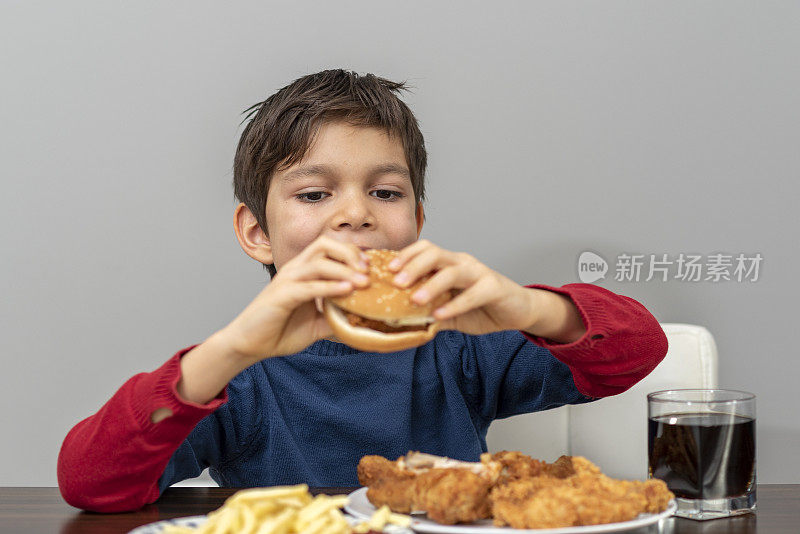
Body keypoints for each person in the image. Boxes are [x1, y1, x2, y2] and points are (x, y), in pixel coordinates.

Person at [57, 69, 668, 513]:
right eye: (314, 194)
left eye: (385, 192)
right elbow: (91, 483)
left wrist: (527, 306)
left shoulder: (460, 349)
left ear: (417, 225)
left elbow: (641, 346)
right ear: (256, 233)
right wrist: (233, 347)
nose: (355, 215)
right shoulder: (239, 378)